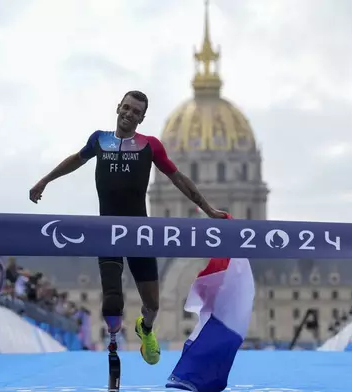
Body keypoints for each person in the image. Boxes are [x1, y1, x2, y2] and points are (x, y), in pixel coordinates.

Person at [29, 90, 227, 365]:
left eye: (136, 111)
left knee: (153, 305)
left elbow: (177, 178)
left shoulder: (150, 145)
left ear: (142, 118)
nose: (129, 114)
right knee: (112, 302)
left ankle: (145, 329)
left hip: (139, 235)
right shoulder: (99, 139)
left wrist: (208, 210)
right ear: (118, 108)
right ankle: (113, 347)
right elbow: (76, 159)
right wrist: (45, 181)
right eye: (126, 108)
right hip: (108, 233)